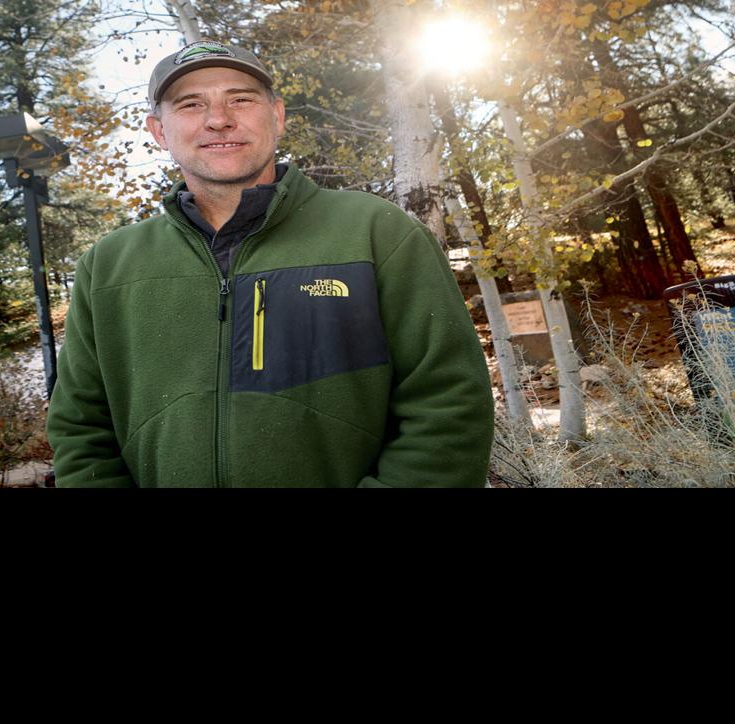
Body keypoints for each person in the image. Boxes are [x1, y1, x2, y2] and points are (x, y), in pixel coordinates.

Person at [46, 39, 494, 487]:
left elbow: (448, 404)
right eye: (190, 104)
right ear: (159, 131)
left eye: (240, 99)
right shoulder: (107, 267)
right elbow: (81, 431)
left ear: (276, 116)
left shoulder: (377, 233)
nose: (219, 119)